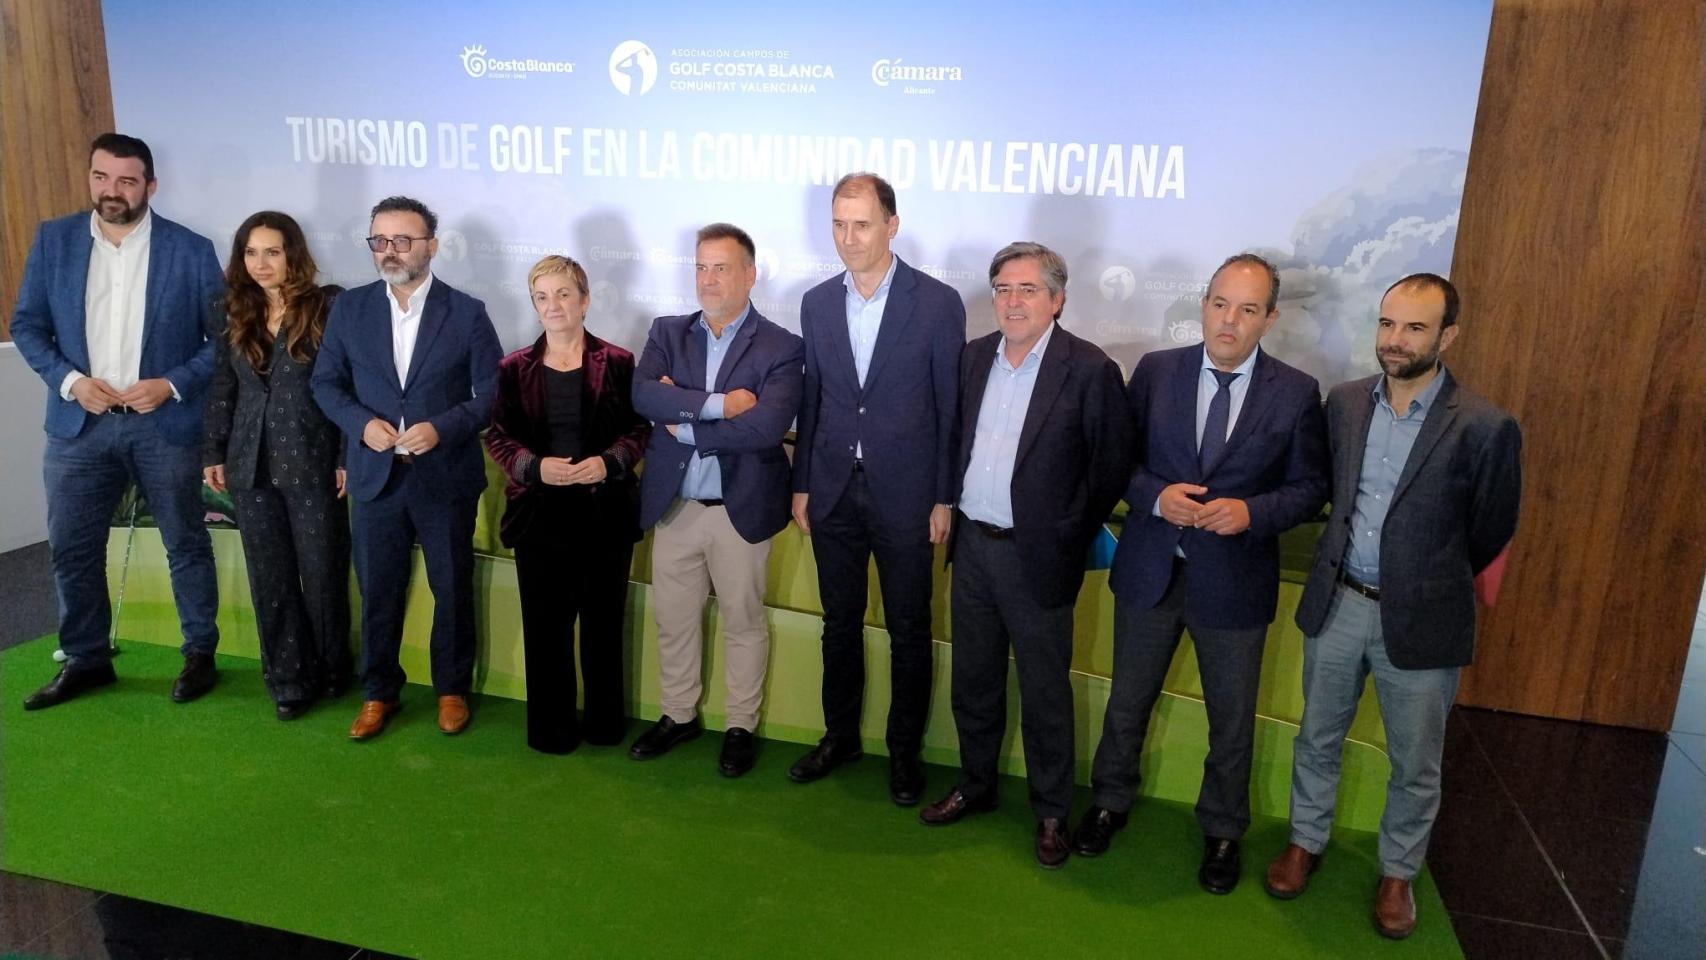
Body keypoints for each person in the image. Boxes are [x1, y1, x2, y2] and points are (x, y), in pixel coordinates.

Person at [1265, 273, 1521, 939]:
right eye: (1387, 324)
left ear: (1448, 336)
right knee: (1317, 735)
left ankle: (1399, 873)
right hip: (1340, 602)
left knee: (1415, 761)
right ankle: (1305, 843)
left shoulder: (1486, 426)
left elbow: (1492, 526)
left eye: (1414, 328)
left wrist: (1428, 575)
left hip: (1425, 617)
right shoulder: (1346, 403)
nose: (1395, 340)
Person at [1080, 253, 1329, 894]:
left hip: (1236, 582)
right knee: (1127, 702)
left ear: (1269, 319)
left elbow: (1309, 489)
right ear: (1203, 305)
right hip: (1150, 570)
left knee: (1232, 719)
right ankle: (1108, 802)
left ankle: (1222, 832)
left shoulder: (1297, 392)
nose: (1229, 320)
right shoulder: (1156, 373)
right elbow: (1119, 462)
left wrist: (1252, 512)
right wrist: (1154, 497)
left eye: (1248, 309)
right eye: (1220, 303)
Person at [919, 242, 1135, 870]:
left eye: (1028, 290)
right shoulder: (973, 357)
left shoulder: (1090, 369)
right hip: (975, 549)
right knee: (975, 681)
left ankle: (1049, 812)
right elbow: (955, 439)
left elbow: (1111, 466)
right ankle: (976, 784)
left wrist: (1066, 529)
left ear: (1057, 299)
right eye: (1004, 290)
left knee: (1044, 692)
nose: (1013, 302)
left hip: (1039, 558)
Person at [12, 133, 224, 710]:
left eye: (126, 181)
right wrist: (72, 382)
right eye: (101, 177)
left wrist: (173, 383)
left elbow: (223, 339)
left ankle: (199, 653)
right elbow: (28, 326)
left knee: (186, 541)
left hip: (165, 425)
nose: (112, 191)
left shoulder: (192, 250)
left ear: (150, 186)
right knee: (72, 548)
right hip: (78, 426)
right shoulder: (54, 241)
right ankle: (86, 659)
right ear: (90, 178)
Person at [786, 173, 965, 805]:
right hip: (833, 490)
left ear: (892, 225)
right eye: (838, 224)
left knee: (909, 629)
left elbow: (951, 410)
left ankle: (905, 753)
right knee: (839, 622)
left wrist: (944, 497)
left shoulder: (939, 303)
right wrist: (803, 482)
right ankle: (840, 737)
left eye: (862, 224)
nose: (848, 237)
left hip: (910, 496)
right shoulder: (815, 302)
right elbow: (814, 401)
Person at [309, 196, 502, 740]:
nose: (389, 251)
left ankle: (450, 690)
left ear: (431, 247)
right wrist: (360, 425)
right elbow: (326, 385)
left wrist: (443, 426)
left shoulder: (467, 312)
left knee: (451, 589)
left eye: (402, 240)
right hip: (375, 476)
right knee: (377, 590)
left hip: (444, 477)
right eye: (380, 241)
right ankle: (378, 693)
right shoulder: (349, 309)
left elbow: (490, 396)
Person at [628, 223, 804, 778]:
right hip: (674, 506)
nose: (707, 278)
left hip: (740, 510)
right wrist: (719, 405)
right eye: (700, 267)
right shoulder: (667, 330)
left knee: (743, 621)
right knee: (673, 622)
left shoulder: (782, 346)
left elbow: (765, 429)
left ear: (750, 275)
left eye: (721, 267)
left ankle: (740, 726)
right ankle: (678, 714)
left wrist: (683, 425)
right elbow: (643, 395)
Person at [485, 254, 651, 754]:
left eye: (562, 294)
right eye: (542, 296)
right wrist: (535, 468)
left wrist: (611, 462)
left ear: (584, 299)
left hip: (605, 516)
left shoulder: (619, 362)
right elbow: (499, 437)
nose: (553, 305)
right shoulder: (513, 368)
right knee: (545, 631)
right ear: (534, 305)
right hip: (540, 518)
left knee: (603, 628)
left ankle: (604, 727)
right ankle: (551, 731)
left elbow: (639, 429)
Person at [202, 211, 350, 721]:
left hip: (312, 459)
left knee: (322, 572)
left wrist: (345, 456)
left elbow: (348, 386)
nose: (260, 263)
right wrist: (213, 453)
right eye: (250, 252)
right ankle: (288, 680)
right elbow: (224, 388)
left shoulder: (328, 305)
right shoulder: (231, 310)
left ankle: (332, 669)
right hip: (250, 465)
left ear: (293, 255)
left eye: (272, 251)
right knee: (271, 577)